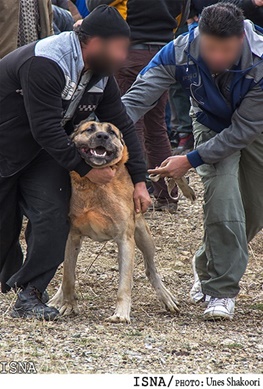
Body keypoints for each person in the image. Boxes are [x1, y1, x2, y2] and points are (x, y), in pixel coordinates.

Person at [0, 5, 151, 321]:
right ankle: (10, 274)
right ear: (95, 42)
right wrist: (87, 169)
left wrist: (139, 180)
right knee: (4, 226)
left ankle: (30, 295)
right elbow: (45, 127)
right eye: (120, 49)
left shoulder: (100, 73)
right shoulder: (46, 61)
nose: (123, 58)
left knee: (54, 215)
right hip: (6, 143)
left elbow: (121, 121)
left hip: (45, 150)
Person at [122, 3, 263, 321]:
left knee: (253, 210)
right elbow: (137, 98)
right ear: (198, 34)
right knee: (224, 199)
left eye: (226, 49)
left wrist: (188, 160)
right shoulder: (179, 50)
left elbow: (242, 130)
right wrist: (102, 131)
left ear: (241, 38)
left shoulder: (261, 58)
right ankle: (220, 291)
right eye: (210, 48)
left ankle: (208, 261)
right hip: (209, 122)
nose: (217, 57)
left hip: (253, 128)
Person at [87, 0, 190, 213]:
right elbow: (183, 13)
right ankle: (166, 196)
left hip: (129, 49)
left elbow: (96, 6)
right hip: (163, 51)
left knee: (128, 123)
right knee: (156, 125)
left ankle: (132, 193)